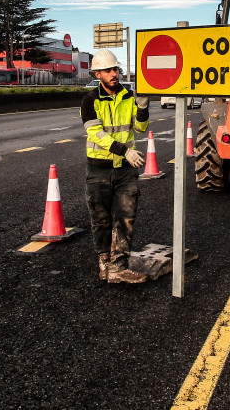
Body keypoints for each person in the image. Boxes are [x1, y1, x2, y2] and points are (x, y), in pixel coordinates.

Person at [80, 49, 151, 285]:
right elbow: (95, 133)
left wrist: (142, 107)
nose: (114, 74)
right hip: (99, 169)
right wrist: (125, 151)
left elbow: (140, 128)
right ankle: (104, 264)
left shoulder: (128, 96)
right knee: (100, 218)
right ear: (98, 74)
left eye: (116, 69)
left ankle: (119, 266)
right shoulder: (90, 100)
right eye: (109, 70)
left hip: (125, 170)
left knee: (125, 217)